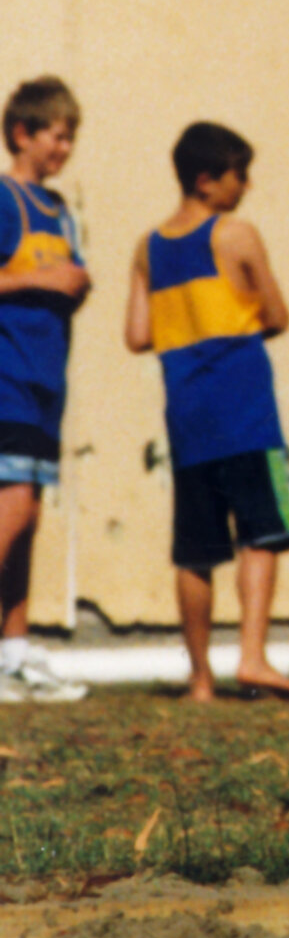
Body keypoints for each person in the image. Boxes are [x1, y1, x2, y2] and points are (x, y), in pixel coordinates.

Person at [123, 121, 289, 701]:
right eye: (238, 175)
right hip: (245, 407)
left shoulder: (147, 247)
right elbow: (277, 315)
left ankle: (200, 679)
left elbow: (136, 333)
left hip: (189, 416)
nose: (246, 186)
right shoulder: (236, 234)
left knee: (195, 551)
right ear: (207, 180)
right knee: (263, 535)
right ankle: (252, 656)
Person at [0, 78, 90, 703]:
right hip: (5, 377)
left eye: (71, 136)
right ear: (22, 133)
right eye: (56, 134)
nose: (64, 146)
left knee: (28, 521)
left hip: (44, 383)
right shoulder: (6, 199)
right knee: (14, 507)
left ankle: (15, 649)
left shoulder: (58, 208)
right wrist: (45, 277)